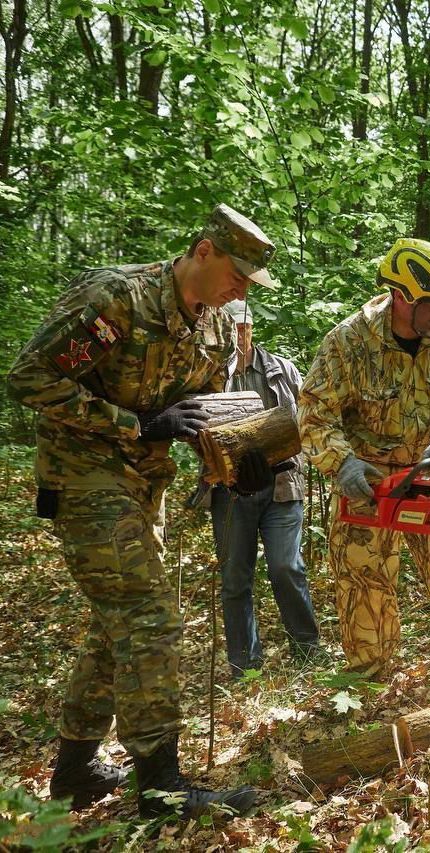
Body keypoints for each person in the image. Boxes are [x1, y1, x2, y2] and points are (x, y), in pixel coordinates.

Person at [6, 204, 275, 818]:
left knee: (115, 627)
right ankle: (161, 788)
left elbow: (211, 408)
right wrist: (136, 424)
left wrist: (247, 451)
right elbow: (29, 378)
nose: (241, 289)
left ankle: (74, 772)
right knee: (149, 619)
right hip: (85, 476)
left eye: (249, 283)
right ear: (203, 251)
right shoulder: (118, 300)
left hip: (143, 486)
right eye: (237, 273)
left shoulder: (223, 320)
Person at [298, 238, 430, 679]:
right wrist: (343, 463)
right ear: (401, 297)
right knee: (364, 587)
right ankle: (370, 685)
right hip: (368, 485)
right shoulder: (349, 342)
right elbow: (315, 414)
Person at [191, 300, 321, 680]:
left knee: (286, 567)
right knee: (235, 578)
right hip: (230, 492)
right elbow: (193, 432)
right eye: (230, 328)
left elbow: (312, 419)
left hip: (282, 486)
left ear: (251, 328)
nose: (238, 335)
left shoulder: (282, 370)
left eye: (243, 327)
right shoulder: (210, 374)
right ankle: (244, 667)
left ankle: (308, 653)